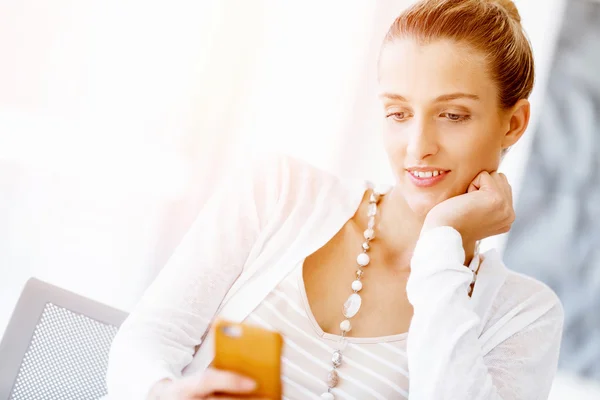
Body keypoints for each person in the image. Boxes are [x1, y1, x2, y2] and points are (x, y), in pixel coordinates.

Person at [106, 0, 564, 398]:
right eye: (398, 113)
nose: (416, 145)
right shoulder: (278, 192)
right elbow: (149, 339)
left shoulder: (524, 315)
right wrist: (167, 393)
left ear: (514, 123)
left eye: (451, 115)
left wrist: (443, 244)